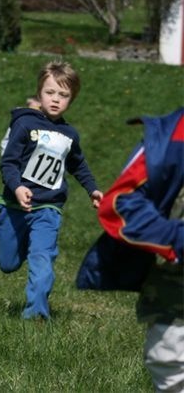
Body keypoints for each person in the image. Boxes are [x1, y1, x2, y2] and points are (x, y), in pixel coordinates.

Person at [76, 108, 183, 392]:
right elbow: (120, 203)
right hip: (176, 301)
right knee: (172, 364)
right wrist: (175, 238)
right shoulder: (172, 137)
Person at [0, 61, 103, 320]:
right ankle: (19, 241)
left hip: (48, 208)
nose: (55, 99)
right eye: (50, 92)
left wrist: (92, 189)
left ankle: (36, 315)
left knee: (42, 258)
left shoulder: (69, 134)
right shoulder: (24, 124)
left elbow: (78, 165)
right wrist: (17, 187)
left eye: (63, 95)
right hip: (13, 206)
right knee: (8, 263)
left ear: (71, 99)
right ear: (39, 93)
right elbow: (8, 163)